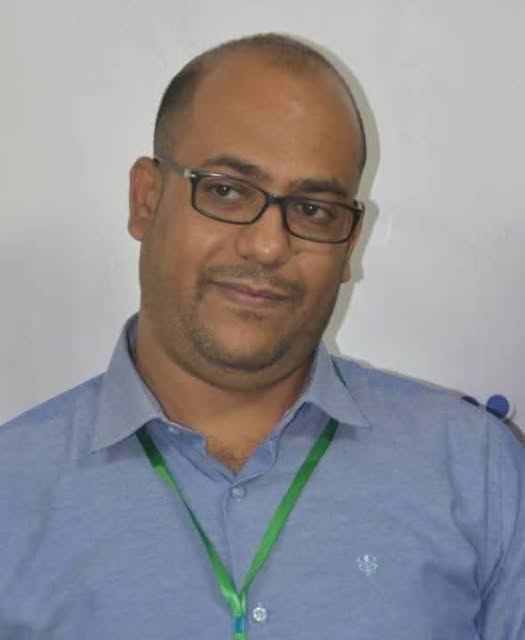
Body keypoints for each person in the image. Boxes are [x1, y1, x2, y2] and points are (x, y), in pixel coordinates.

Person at [0, 33, 523, 640]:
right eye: (225, 190)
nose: (269, 245)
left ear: (349, 245)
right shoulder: (13, 490)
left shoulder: (478, 471)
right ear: (147, 199)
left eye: (314, 209)